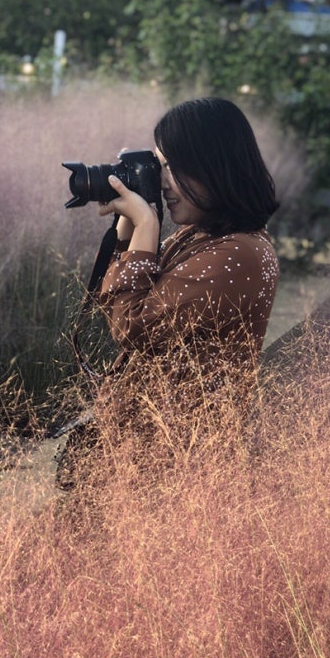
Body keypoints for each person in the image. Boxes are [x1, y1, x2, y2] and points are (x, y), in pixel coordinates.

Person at [95, 97, 280, 441]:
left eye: (173, 167)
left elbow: (131, 327)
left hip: (182, 451)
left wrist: (146, 223)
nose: (163, 182)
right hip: (149, 442)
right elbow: (114, 300)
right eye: (159, 166)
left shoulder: (241, 253)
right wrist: (127, 226)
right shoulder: (198, 236)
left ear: (214, 165)